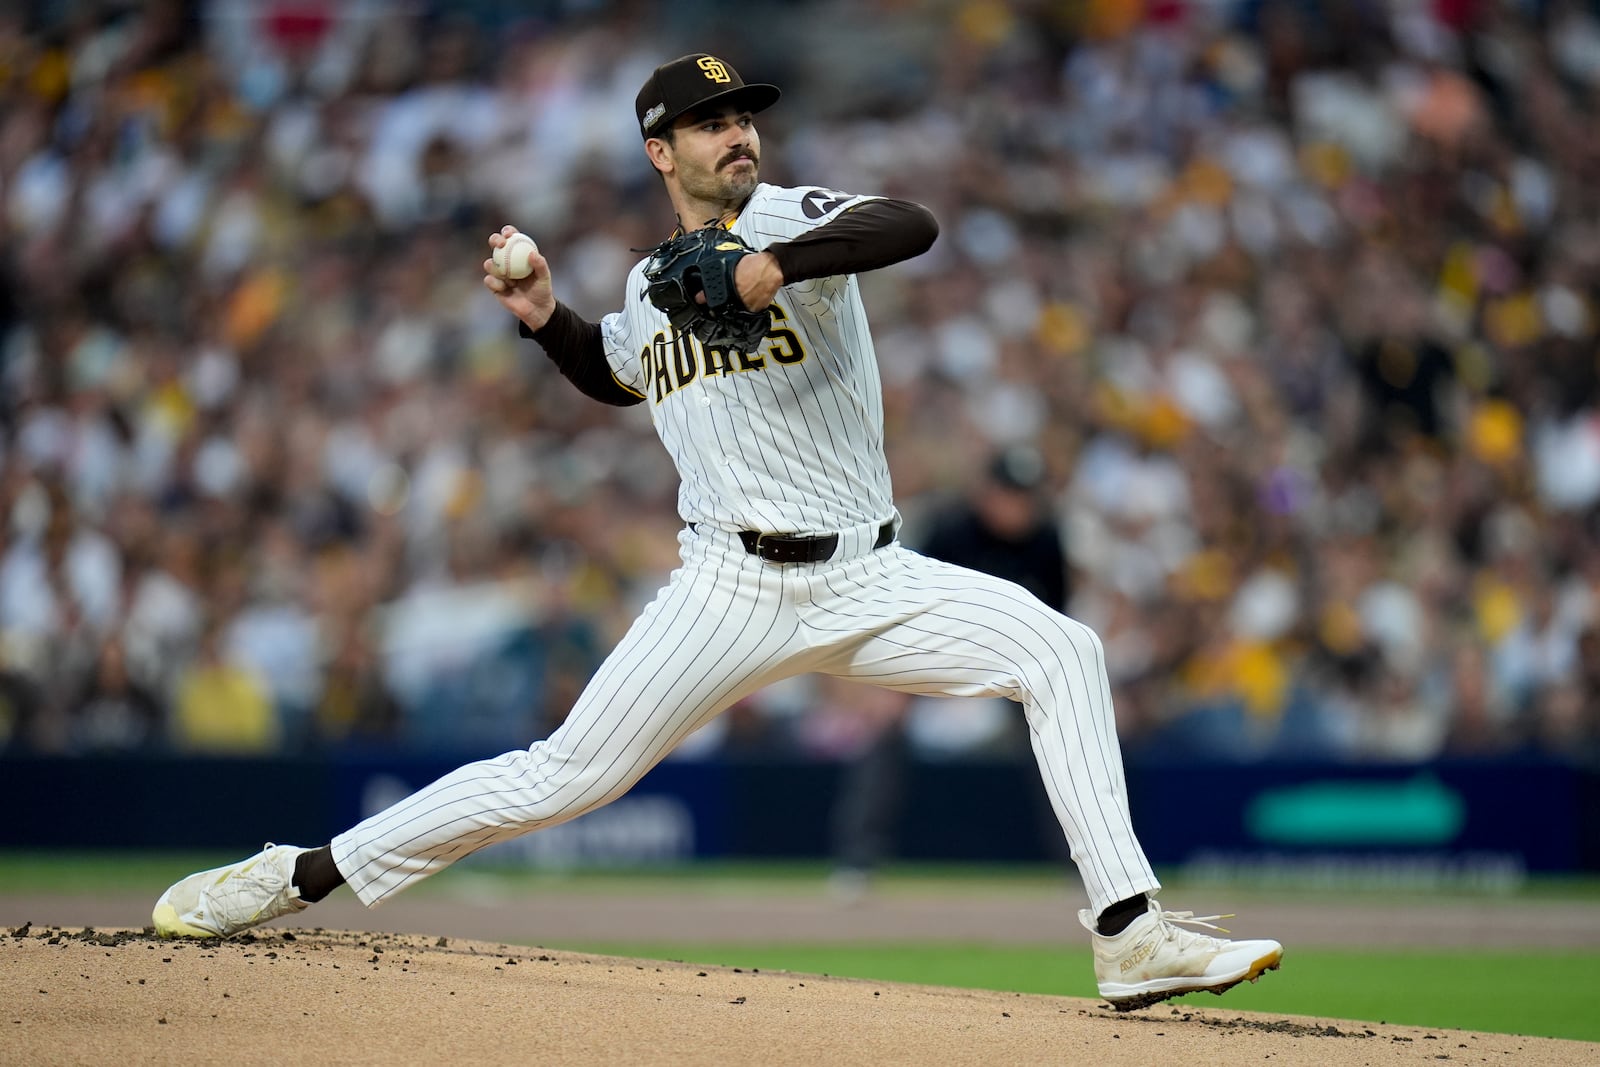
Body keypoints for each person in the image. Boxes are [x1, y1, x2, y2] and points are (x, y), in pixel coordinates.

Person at [151, 52, 1282, 1012]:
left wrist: (766, 265)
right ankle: (292, 873)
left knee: (1062, 650)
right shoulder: (650, 283)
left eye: (741, 116)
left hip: (869, 573)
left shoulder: (784, 216)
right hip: (727, 588)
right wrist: (548, 318)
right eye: (708, 124)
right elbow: (617, 371)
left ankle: (1127, 930)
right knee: (558, 779)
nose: (736, 134)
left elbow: (912, 223)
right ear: (660, 152)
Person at [828, 444, 1074, 894]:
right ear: (988, 494)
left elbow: (1060, 624)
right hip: (937, 661)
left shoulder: (1047, 539)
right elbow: (904, 611)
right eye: (1011, 495)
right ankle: (857, 861)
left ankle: (1085, 862)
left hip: (1009, 671)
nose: (1021, 506)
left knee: (1062, 734)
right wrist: (892, 686)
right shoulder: (953, 531)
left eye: (1027, 496)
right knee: (883, 729)